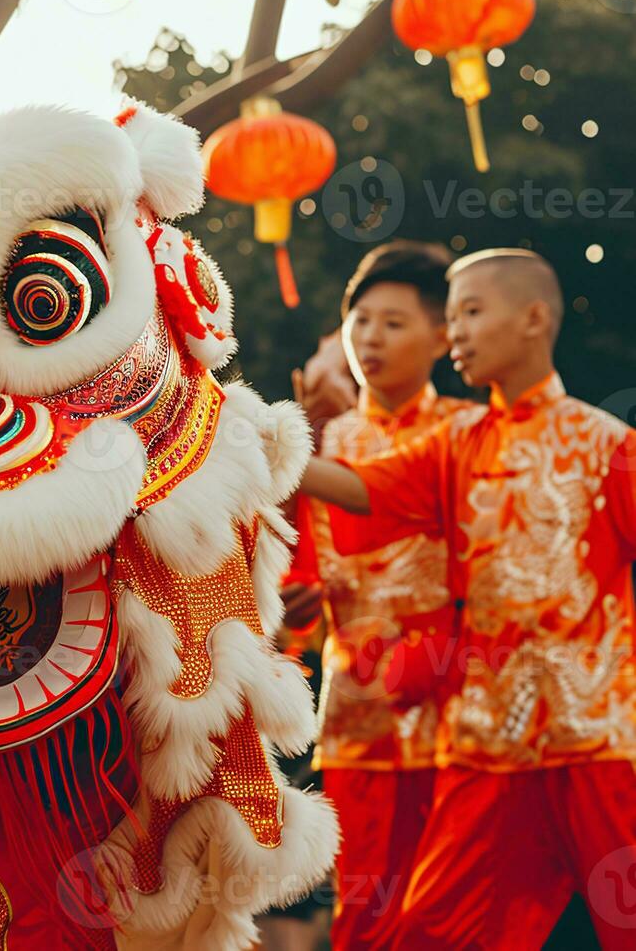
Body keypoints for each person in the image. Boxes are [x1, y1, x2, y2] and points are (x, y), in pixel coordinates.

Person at [300, 248, 636, 947]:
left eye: (471, 314)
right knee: (424, 932)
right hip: (488, 747)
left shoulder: (607, 445)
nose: (456, 333)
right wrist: (246, 440)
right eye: (451, 318)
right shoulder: (454, 445)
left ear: (534, 319)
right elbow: (362, 489)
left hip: (596, 737)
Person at [292, 241, 468, 949]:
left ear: (442, 335)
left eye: (394, 323)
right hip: (359, 710)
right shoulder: (326, 441)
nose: (371, 338)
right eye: (360, 320)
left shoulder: (465, 432)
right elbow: (300, 572)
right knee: (363, 910)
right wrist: (298, 607)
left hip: (453, 708)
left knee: (449, 908)